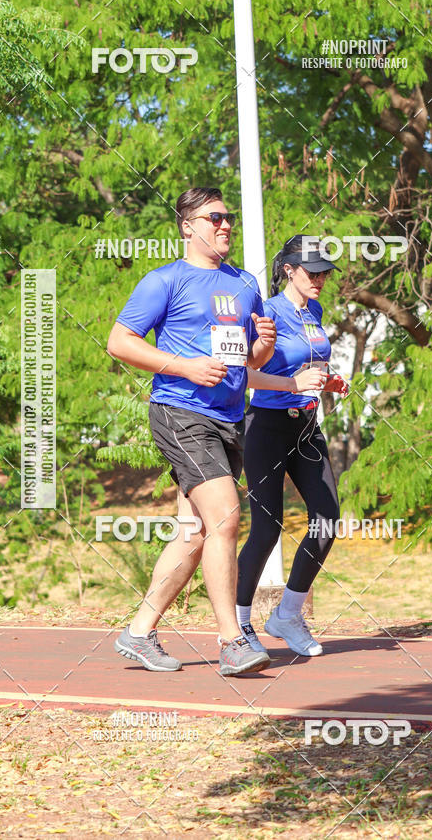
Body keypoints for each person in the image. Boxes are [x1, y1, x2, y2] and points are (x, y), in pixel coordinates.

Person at [106, 187, 277, 676]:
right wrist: (184, 367)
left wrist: (264, 346)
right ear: (187, 226)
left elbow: (248, 361)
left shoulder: (245, 283)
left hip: (229, 418)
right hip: (180, 412)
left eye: (228, 217)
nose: (225, 225)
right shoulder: (165, 280)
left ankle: (138, 632)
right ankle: (232, 641)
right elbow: (120, 341)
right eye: (214, 218)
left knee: (195, 533)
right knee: (226, 517)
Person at [236, 235, 348, 657]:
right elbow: (242, 373)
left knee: (327, 519)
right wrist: (292, 384)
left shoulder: (313, 311)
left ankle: (287, 614)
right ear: (289, 270)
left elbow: (307, 362)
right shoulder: (265, 311)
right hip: (266, 427)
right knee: (267, 528)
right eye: (312, 272)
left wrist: (328, 381)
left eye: (324, 273)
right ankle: (239, 624)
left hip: (306, 426)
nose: (320, 280)